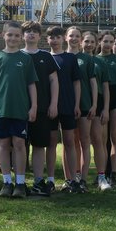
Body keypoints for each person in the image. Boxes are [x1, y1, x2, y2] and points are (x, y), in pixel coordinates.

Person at [0, 21, 38, 199]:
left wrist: (34, 106)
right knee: (3, 144)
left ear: (21, 37)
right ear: (3, 35)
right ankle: (7, 183)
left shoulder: (25, 59)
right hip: (1, 110)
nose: (13, 38)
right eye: (10, 35)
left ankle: (20, 183)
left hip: (20, 110)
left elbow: (31, 85)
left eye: (16, 35)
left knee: (20, 144)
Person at [21, 21, 59, 197]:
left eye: (34, 31)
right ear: (23, 35)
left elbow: (54, 81)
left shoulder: (46, 56)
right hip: (20, 108)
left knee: (39, 145)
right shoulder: (17, 55)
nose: (31, 34)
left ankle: (38, 181)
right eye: (27, 31)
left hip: (42, 108)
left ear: (39, 36)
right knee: (20, 146)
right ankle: (19, 182)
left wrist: (53, 103)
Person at [46, 25, 81, 193]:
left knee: (69, 141)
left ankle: (72, 179)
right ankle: (50, 179)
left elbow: (76, 83)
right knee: (51, 142)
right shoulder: (45, 57)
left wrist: (76, 104)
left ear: (63, 39)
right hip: (49, 107)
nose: (55, 40)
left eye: (57, 37)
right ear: (47, 40)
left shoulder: (70, 58)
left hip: (68, 105)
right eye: (51, 37)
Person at [66, 26, 96, 192]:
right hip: (65, 105)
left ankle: (83, 179)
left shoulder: (87, 59)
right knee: (69, 142)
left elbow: (93, 82)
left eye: (77, 36)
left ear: (80, 39)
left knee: (84, 141)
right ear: (66, 37)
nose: (74, 38)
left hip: (84, 104)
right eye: (71, 35)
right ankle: (70, 178)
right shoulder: (60, 57)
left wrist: (94, 104)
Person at [98, 31, 116, 186]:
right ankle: (102, 174)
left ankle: (114, 174)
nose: (108, 45)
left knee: (115, 136)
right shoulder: (95, 59)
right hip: (101, 96)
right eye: (106, 41)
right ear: (100, 42)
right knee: (101, 139)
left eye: (111, 42)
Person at [84, 31, 111, 191]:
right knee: (81, 141)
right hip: (80, 100)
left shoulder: (100, 62)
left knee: (98, 139)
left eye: (92, 42)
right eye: (86, 41)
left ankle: (102, 176)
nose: (89, 44)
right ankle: (79, 176)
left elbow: (106, 88)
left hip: (98, 102)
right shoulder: (76, 59)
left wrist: (105, 109)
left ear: (96, 44)